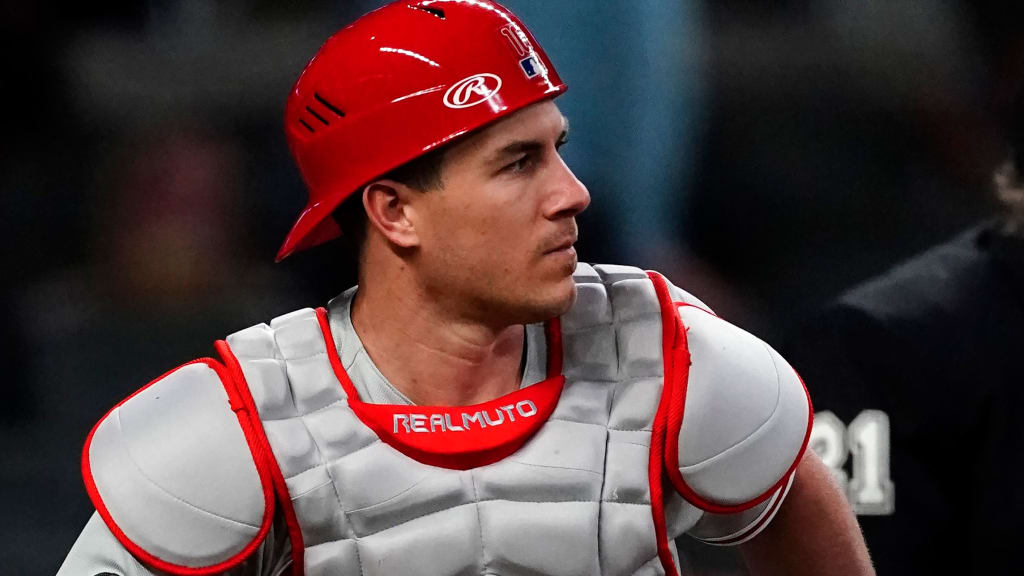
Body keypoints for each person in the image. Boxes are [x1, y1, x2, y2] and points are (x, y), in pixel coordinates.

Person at [56, 2, 871, 575]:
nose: (574, 193)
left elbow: (794, 494)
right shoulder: (252, 419)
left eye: (558, 149)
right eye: (519, 164)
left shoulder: (667, 357)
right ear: (394, 211)